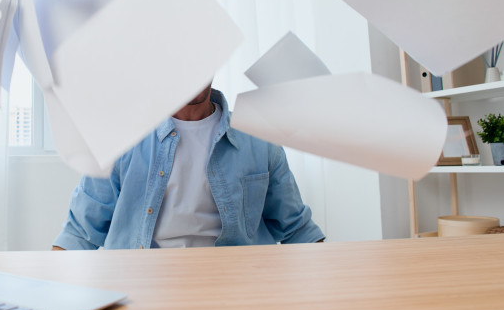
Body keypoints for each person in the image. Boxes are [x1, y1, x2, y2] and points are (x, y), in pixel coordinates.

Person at [52, 84, 324, 250]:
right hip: (141, 287)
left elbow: (297, 229)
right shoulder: (120, 137)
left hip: (237, 286)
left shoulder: (258, 136)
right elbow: (80, 234)